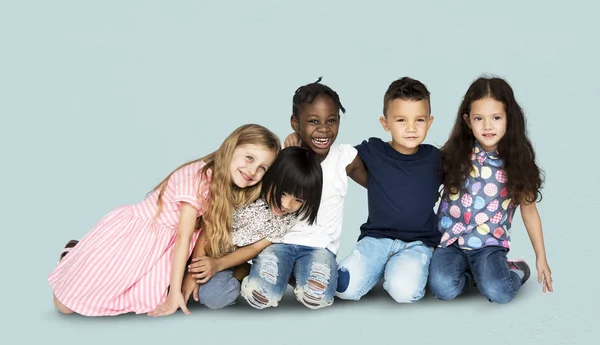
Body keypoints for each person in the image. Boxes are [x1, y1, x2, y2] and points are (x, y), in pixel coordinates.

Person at [48, 124, 280, 316]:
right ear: (232, 148)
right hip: (138, 237)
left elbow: (205, 231)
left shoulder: (229, 185)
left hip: (162, 248)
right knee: (65, 306)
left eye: (262, 168)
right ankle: (75, 255)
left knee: (138, 295)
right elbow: (183, 237)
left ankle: (81, 257)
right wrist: (174, 296)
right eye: (249, 158)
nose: (252, 171)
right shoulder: (198, 178)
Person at [240, 77, 367, 310]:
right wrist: (290, 150)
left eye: (331, 120)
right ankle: (265, 275)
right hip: (277, 241)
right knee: (263, 292)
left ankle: (301, 276)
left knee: (317, 296)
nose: (324, 129)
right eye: (312, 121)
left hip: (320, 246)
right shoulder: (285, 155)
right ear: (295, 123)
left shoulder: (345, 157)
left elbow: (379, 184)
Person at [428, 76, 553, 304]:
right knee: (442, 288)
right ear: (468, 121)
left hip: (488, 245)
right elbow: (425, 185)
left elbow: (530, 212)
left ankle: (514, 270)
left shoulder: (517, 162)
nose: (487, 126)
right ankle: (472, 276)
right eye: (479, 118)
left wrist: (541, 257)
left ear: (508, 119)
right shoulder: (455, 154)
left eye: (496, 118)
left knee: (499, 292)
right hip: (450, 241)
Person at [335, 77, 443, 303]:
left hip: (418, 243)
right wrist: (300, 144)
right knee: (343, 288)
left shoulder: (436, 158)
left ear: (430, 122)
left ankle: (405, 269)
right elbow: (337, 157)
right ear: (386, 123)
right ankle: (373, 267)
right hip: (376, 239)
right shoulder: (373, 151)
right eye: (401, 120)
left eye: (419, 120)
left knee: (404, 293)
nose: (411, 128)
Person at [181, 146, 324, 309]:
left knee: (214, 296)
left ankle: (243, 271)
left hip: (227, 259)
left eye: (298, 200)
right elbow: (209, 226)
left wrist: (217, 265)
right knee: (169, 283)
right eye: (283, 193)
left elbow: (255, 247)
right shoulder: (246, 191)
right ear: (271, 177)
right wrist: (193, 273)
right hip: (197, 247)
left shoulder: (286, 218)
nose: (286, 205)